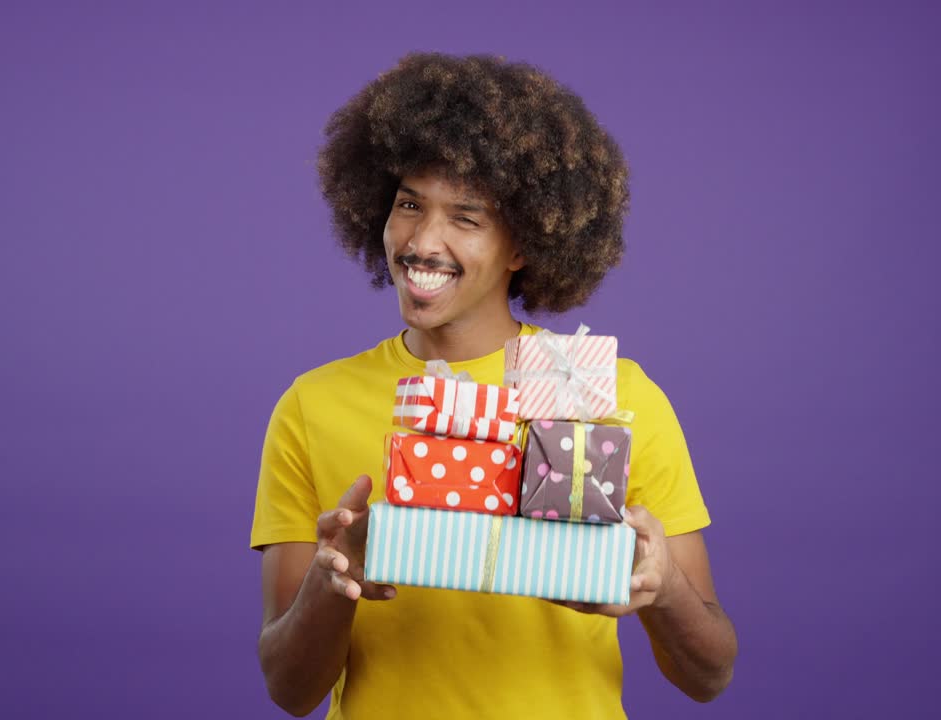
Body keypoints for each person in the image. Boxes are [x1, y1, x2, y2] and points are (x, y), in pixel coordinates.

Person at [250, 52, 737, 719]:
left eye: (466, 218)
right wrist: (333, 582)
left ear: (524, 244)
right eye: (409, 205)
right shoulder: (312, 404)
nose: (422, 241)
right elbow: (288, 690)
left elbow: (709, 675)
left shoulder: (615, 399)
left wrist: (662, 589)